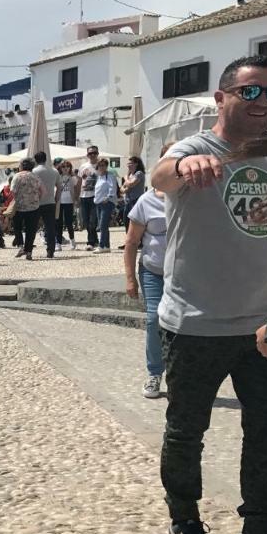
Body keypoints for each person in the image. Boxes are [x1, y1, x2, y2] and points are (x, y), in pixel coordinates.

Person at [147, 54, 267, 534]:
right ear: (221, 98)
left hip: (263, 326)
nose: (263, 103)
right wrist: (182, 168)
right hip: (195, 322)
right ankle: (184, 521)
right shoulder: (194, 147)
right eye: (250, 92)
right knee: (186, 431)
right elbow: (159, 176)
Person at [123, 149, 172, 401]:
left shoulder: (192, 197)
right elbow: (131, 242)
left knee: (184, 326)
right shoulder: (146, 201)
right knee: (154, 320)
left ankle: (179, 375)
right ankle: (155, 373)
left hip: (185, 274)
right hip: (153, 271)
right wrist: (130, 278)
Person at [10, 158, 45, 260]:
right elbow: (43, 191)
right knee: (31, 230)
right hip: (34, 207)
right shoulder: (35, 176)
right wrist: (37, 199)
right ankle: (29, 252)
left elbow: (12, 191)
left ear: (21, 166)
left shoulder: (17, 176)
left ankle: (21, 246)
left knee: (17, 228)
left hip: (19, 207)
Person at [32, 151, 60, 259]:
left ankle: (29, 249)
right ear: (46, 159)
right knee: (50, 227)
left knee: (32, 227)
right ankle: (50, 250)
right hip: (50, 202)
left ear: (35, 160)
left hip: (37, 202)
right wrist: (57, 198)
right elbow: (59, 186)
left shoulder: (33, 171)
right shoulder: (54, 171)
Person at [92, 158, 117, 253]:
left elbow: (112, 187)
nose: (102, 167)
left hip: (106, 203)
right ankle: (106, 246)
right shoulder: (99, 177)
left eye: (103, 165)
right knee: (103, 225)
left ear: (106, 166)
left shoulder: (110, 176)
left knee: (102, 225)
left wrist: (108, 197)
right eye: (100, 165)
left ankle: (101, 245)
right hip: (98, 203)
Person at [78, 146, 101, 249]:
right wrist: (76, 196)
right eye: (90, 153)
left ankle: (91, 242)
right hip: (84, 196)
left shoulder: (101, 165)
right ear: (87, 155)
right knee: (86, 221)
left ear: (97, 153)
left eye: (94, 153)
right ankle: (95, 240)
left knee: (93, 221)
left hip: (95, 196)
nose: (92, 155)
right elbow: (79, 182)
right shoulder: (83, 166)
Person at [56, 161, 79, 251]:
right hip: (59, 202)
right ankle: (58, 243)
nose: (65, 168)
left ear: (70, 168)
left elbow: (77, 187)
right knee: (59, 223)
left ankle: (72, 241)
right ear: (60, 168)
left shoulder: (73, 178)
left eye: (67, 166)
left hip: (69, 202)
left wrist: (76, 201)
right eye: (63, 167)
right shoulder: (58, 177)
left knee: (69, 223)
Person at [121, 156, 146, 227]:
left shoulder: (139, 173)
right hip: (127, 202)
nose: (128, 165)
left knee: (134, 225)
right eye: (128, 164)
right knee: (126, 223)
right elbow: (121, 189)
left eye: (130, 163)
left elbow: (131, 184)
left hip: (135, 201)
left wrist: (126, 178)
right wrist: (125, 189)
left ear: (136, 164)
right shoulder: (130, 175)